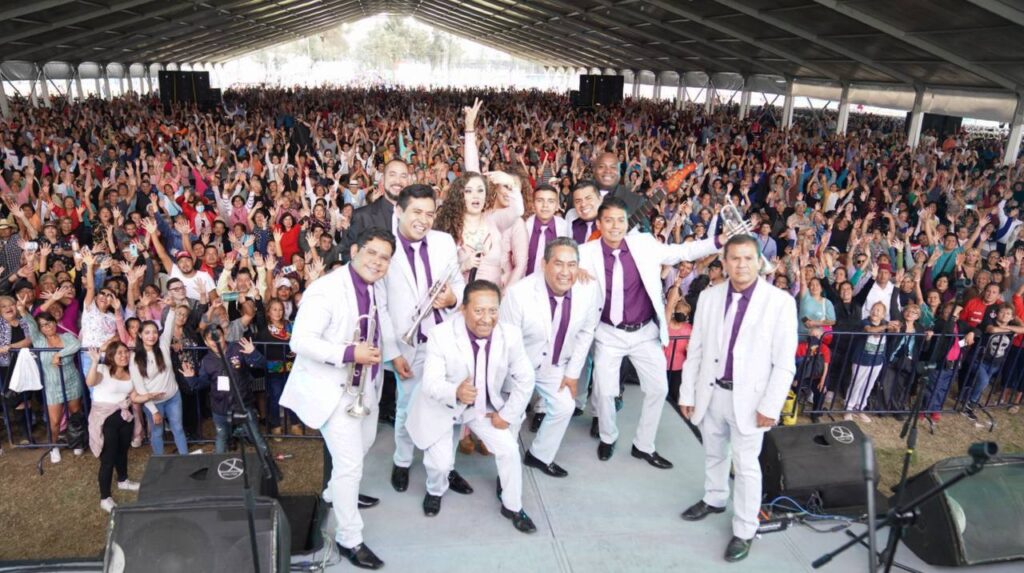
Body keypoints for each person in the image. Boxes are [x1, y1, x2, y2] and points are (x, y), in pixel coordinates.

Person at [280, 227, 399, 570]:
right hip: (333, 391)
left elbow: (379, 325)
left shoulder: (374, 287)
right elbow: (300, 342)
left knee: (364, 446)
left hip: (365, 386)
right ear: (354, 251)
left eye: (385, 258)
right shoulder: (325, 290)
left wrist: (393, 356)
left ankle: (335, 493)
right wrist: (349, 352)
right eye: (372, 253)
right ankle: (350, 538)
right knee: (349, 465)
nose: (377, 262)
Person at [678, 235, 798, 563]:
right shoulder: (709, 297)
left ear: (759, 262)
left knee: (746, 466)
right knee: (714, 452)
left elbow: (784, 362)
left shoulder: (780, 302)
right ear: (725, 262)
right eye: (735, 258)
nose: (741, 265)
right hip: (712, 391)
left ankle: (745, 529)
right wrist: (688, 391)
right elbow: (696, 349)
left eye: (748, 258)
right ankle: (715, 498)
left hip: (752, 400)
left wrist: (770, 406)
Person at [578, 197, 722, 465]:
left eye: (620, 220)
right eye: (608, 220)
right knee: (604, 391)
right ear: (599, 224)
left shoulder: (644, 244)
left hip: (644, 333)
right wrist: (574, 272)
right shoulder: (585, 253)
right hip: (608, 333)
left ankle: (644, 445)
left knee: (658, 389)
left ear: (627, 223)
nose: (615, 226)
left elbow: (682, 251)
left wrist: (718, 241)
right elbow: (556, 261)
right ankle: (608, 437)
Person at [405, 280, 536, 533]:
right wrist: (455, 391)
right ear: (463, 309)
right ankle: (435, 490)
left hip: (482, 408)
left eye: (493, 310)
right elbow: (431, 384)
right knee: (440, 465)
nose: (487, 318)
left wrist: (507, 415)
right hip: (443, 406)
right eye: (479, 310)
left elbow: (526, 378)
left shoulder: (510, 334)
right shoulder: (440, 335)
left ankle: (512, 506)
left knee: (509, 450)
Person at [377, 184, 469, 495]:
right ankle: (402, 461)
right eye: (416, 212)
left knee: (451, 406)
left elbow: (458, 284)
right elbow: (381, 307)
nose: (424, 220)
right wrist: (393, 353)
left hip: (445, 341)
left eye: (430, 214)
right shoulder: (385, 247)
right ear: (398, 211)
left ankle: (448, 466)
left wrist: (453, 298)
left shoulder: (443, 241)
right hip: (409, 344)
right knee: (407, 407)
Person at [500, 237, 600, 477]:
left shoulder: (588, 290)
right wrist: (515, 385)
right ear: (544, 264)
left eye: (572, 265)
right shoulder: (518, 294)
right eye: (558, 263)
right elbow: (505, 343)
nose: (565, 272)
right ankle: (506, 476)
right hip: (518, 366)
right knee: (512, 420)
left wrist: (572, 374)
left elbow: (587, 332)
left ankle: (539, 456)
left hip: (554, 364)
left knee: (564, 406)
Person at [18, 293, 84, 463]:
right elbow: (31, 323)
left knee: (75, 415)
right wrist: (23, 311)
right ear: (40, 329)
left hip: (72, 381)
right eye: (43, 325)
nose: (48, 327)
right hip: (52, 385)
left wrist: (58, 354)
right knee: (54, 421)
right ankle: (53, 446)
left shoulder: (66, 337)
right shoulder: (39, 341)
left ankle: (76, 442)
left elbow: (76, 345)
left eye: (50, 323)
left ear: (55, 322)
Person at [182, 327, 266, 453]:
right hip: (220, 408)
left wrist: (253, 353)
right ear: (205, 342)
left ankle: (267, 461)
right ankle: (218, 462)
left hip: (244, 404)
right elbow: (202, 383)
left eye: (218, 337)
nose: (216, 341)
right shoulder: (206, 361)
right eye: (211, 339)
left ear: (224, 336)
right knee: (221, 437)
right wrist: (191, 379)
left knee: (255, 436)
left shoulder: (238, 348)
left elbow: (262, 365)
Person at [85, 343, 140, 513]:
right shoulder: (103, 369)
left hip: (124, 416)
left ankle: (123, 480)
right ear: (111, 356)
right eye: (119, 353)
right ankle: (105, 498)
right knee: (108, 459)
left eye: (126, 352)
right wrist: (94, 362)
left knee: (122, 451)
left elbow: (134, 396)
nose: (124, 355)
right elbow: (90, 382)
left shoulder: (131, 372)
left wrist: (151, 396)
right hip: (105, 419)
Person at [130, 311, 189, 455]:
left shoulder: (163, 345)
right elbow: (140, 388)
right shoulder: (135, 358)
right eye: (147, 333)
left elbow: (169, 325)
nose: (152, 336)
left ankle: (185, 458)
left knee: (178, 428)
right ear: (140, 335)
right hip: (154, 403)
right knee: (157, 433)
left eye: (155, 332)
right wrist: (154, 411)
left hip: (173, 397)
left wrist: (173, 308)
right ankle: (159, 461)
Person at [523, 185, 568, 277]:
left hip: (554, 281)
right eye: (540, 200)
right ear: (533, 204)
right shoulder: (523, 226)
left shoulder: (565, 226)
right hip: (526, 281)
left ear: (556, 205)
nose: (545, 206)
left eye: (550, 201)